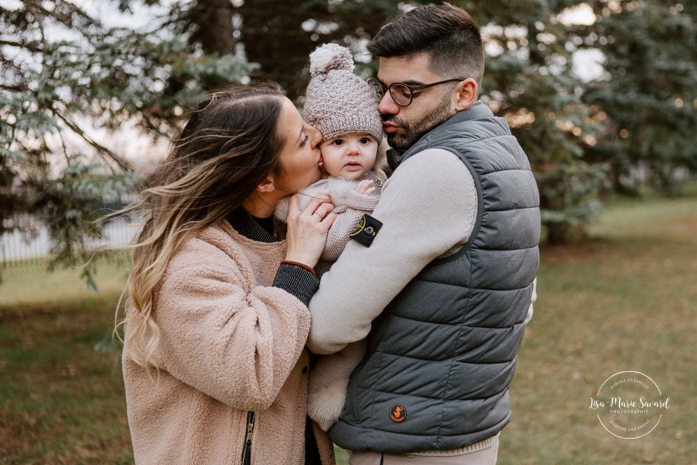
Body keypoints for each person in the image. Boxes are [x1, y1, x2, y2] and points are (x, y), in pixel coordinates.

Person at [306, 3, 541, 465]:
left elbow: (329, 326)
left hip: (408, 437)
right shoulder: (503, 151)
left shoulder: (436, 169)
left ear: (464, 92)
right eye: (383, 87)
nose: (385, 105)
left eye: (407, 91)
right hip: (462, 426)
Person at [117, 83, 338, 465]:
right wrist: (299, 265)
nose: (318, 137)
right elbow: (249, 373)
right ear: (265, 180)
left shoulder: (289, 233)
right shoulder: (187, 262)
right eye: (302, 139)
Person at [275, 43, 387, 273]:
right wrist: (358, 209)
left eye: (364, 140)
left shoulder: (378, 175)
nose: (354, 151)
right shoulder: (316, 194)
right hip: (335, 286)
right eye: (338, 142)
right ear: (319, 147)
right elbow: (328, 248)